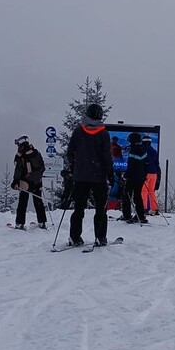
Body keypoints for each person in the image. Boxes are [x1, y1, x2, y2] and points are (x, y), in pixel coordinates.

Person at [63, 103, 114, 246]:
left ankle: (74, 237)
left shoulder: (78, 131)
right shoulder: (103, 134)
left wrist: (74, 167)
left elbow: (70, 153)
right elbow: (107, 156)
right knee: (101, 208)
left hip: (80, 176)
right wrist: (110, 173)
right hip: (99, 177)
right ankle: (100, 237)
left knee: (79, 208)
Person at [11, 136, 48, 229]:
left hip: (25, 182)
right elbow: (42, 167)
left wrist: (15, 181)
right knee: (38, 201)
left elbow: (18, 169)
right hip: (38, 181)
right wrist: (37, 178)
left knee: (22, 202)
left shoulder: (21, 155)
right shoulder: (36, 152)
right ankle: (42, 222)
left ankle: (20, 223)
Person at [120, 132, 149, 224]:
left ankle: (127, 215)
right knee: (138, 196)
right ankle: (141, 216)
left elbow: (131, 166)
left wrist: (125, 175)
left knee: (127, 196)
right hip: (141, 177)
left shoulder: (133, 151)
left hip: (132, 177)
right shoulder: (143, 150)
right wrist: (144, 175)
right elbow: (146, 165)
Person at [141, 136, 161, 215]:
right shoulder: (154, 151)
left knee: (143, 191)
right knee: (151, 191)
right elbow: (157, 163)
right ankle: (154, 208)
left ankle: (144, 208)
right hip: (154, 173)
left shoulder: (143, 150)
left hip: (146, 173)